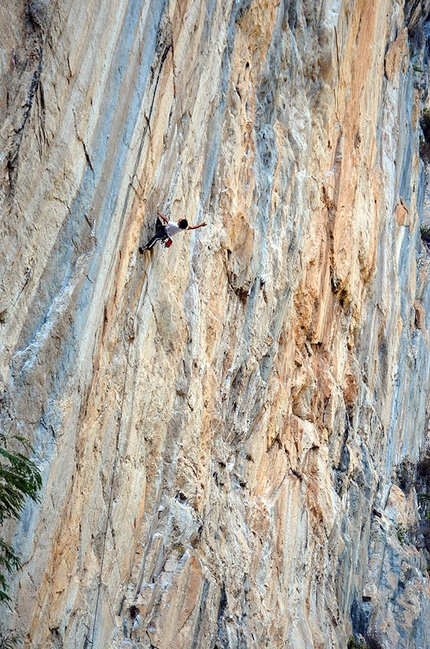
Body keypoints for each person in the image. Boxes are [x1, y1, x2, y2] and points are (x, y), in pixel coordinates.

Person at [139, 209, 206, 252]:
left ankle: (146, 248)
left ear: (179, 223)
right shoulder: (183, 228)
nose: (180, 219)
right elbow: (192, 227)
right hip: (163, 229)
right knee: (158, 224)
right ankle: (151, 244)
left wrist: (159, 213)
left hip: (164, 234)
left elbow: (166, 219)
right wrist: (201, 225)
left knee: (156, 237)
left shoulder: (175, 225)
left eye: (181, 220)